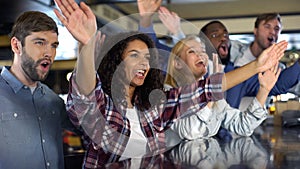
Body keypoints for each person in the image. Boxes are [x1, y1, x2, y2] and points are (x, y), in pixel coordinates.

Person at [54, 0, 287, 168]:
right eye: (134, 55)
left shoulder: (155, 106)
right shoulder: (103, 108)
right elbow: (85, 93)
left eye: (146, 57)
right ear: (117, 63)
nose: (143, 62)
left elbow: (207, 89)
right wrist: (87, 43)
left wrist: (257, 68)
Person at [164, 35, 280, 143]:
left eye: (203, 51)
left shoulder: (216, 99)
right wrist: (211, 91)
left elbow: (243, 126)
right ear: (177, 63)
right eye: (192, 51)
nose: (201, 55)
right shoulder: (168, 95)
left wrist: (264, 90)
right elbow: (191, 132)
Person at [0, 11, 77, 169]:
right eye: (40, 43)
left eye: (53, 45)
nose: (49, 53)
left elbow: (91, 130)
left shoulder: (53, 101)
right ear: (16, 45)